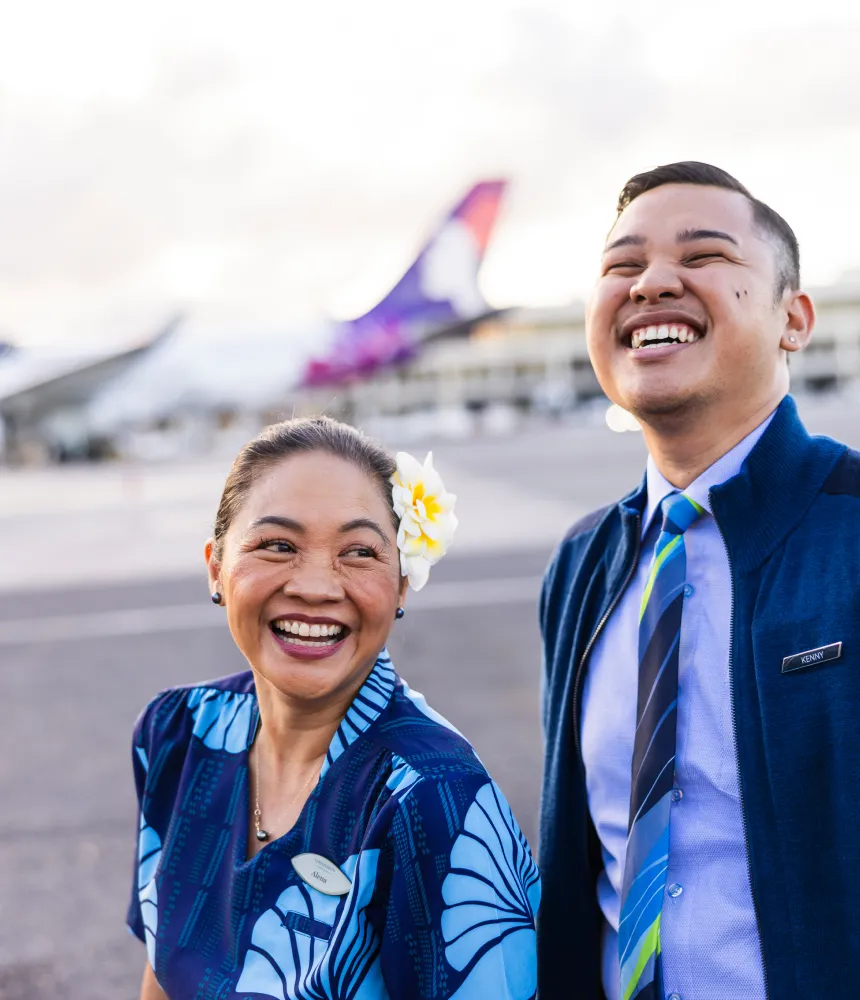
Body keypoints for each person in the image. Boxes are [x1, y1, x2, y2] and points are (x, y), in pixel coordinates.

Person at [538, 161, 860, 1000]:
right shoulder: (582, 564)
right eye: (622, 266)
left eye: (704, 256)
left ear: (794, 319)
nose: (651, 284)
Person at [128, 417, 540, 1000]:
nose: (317, 586)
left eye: (358, 552)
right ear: (216, 567)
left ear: (400, 585)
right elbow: (162, 971)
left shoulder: (434, 798)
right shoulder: (180, 733)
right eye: (277, 545)